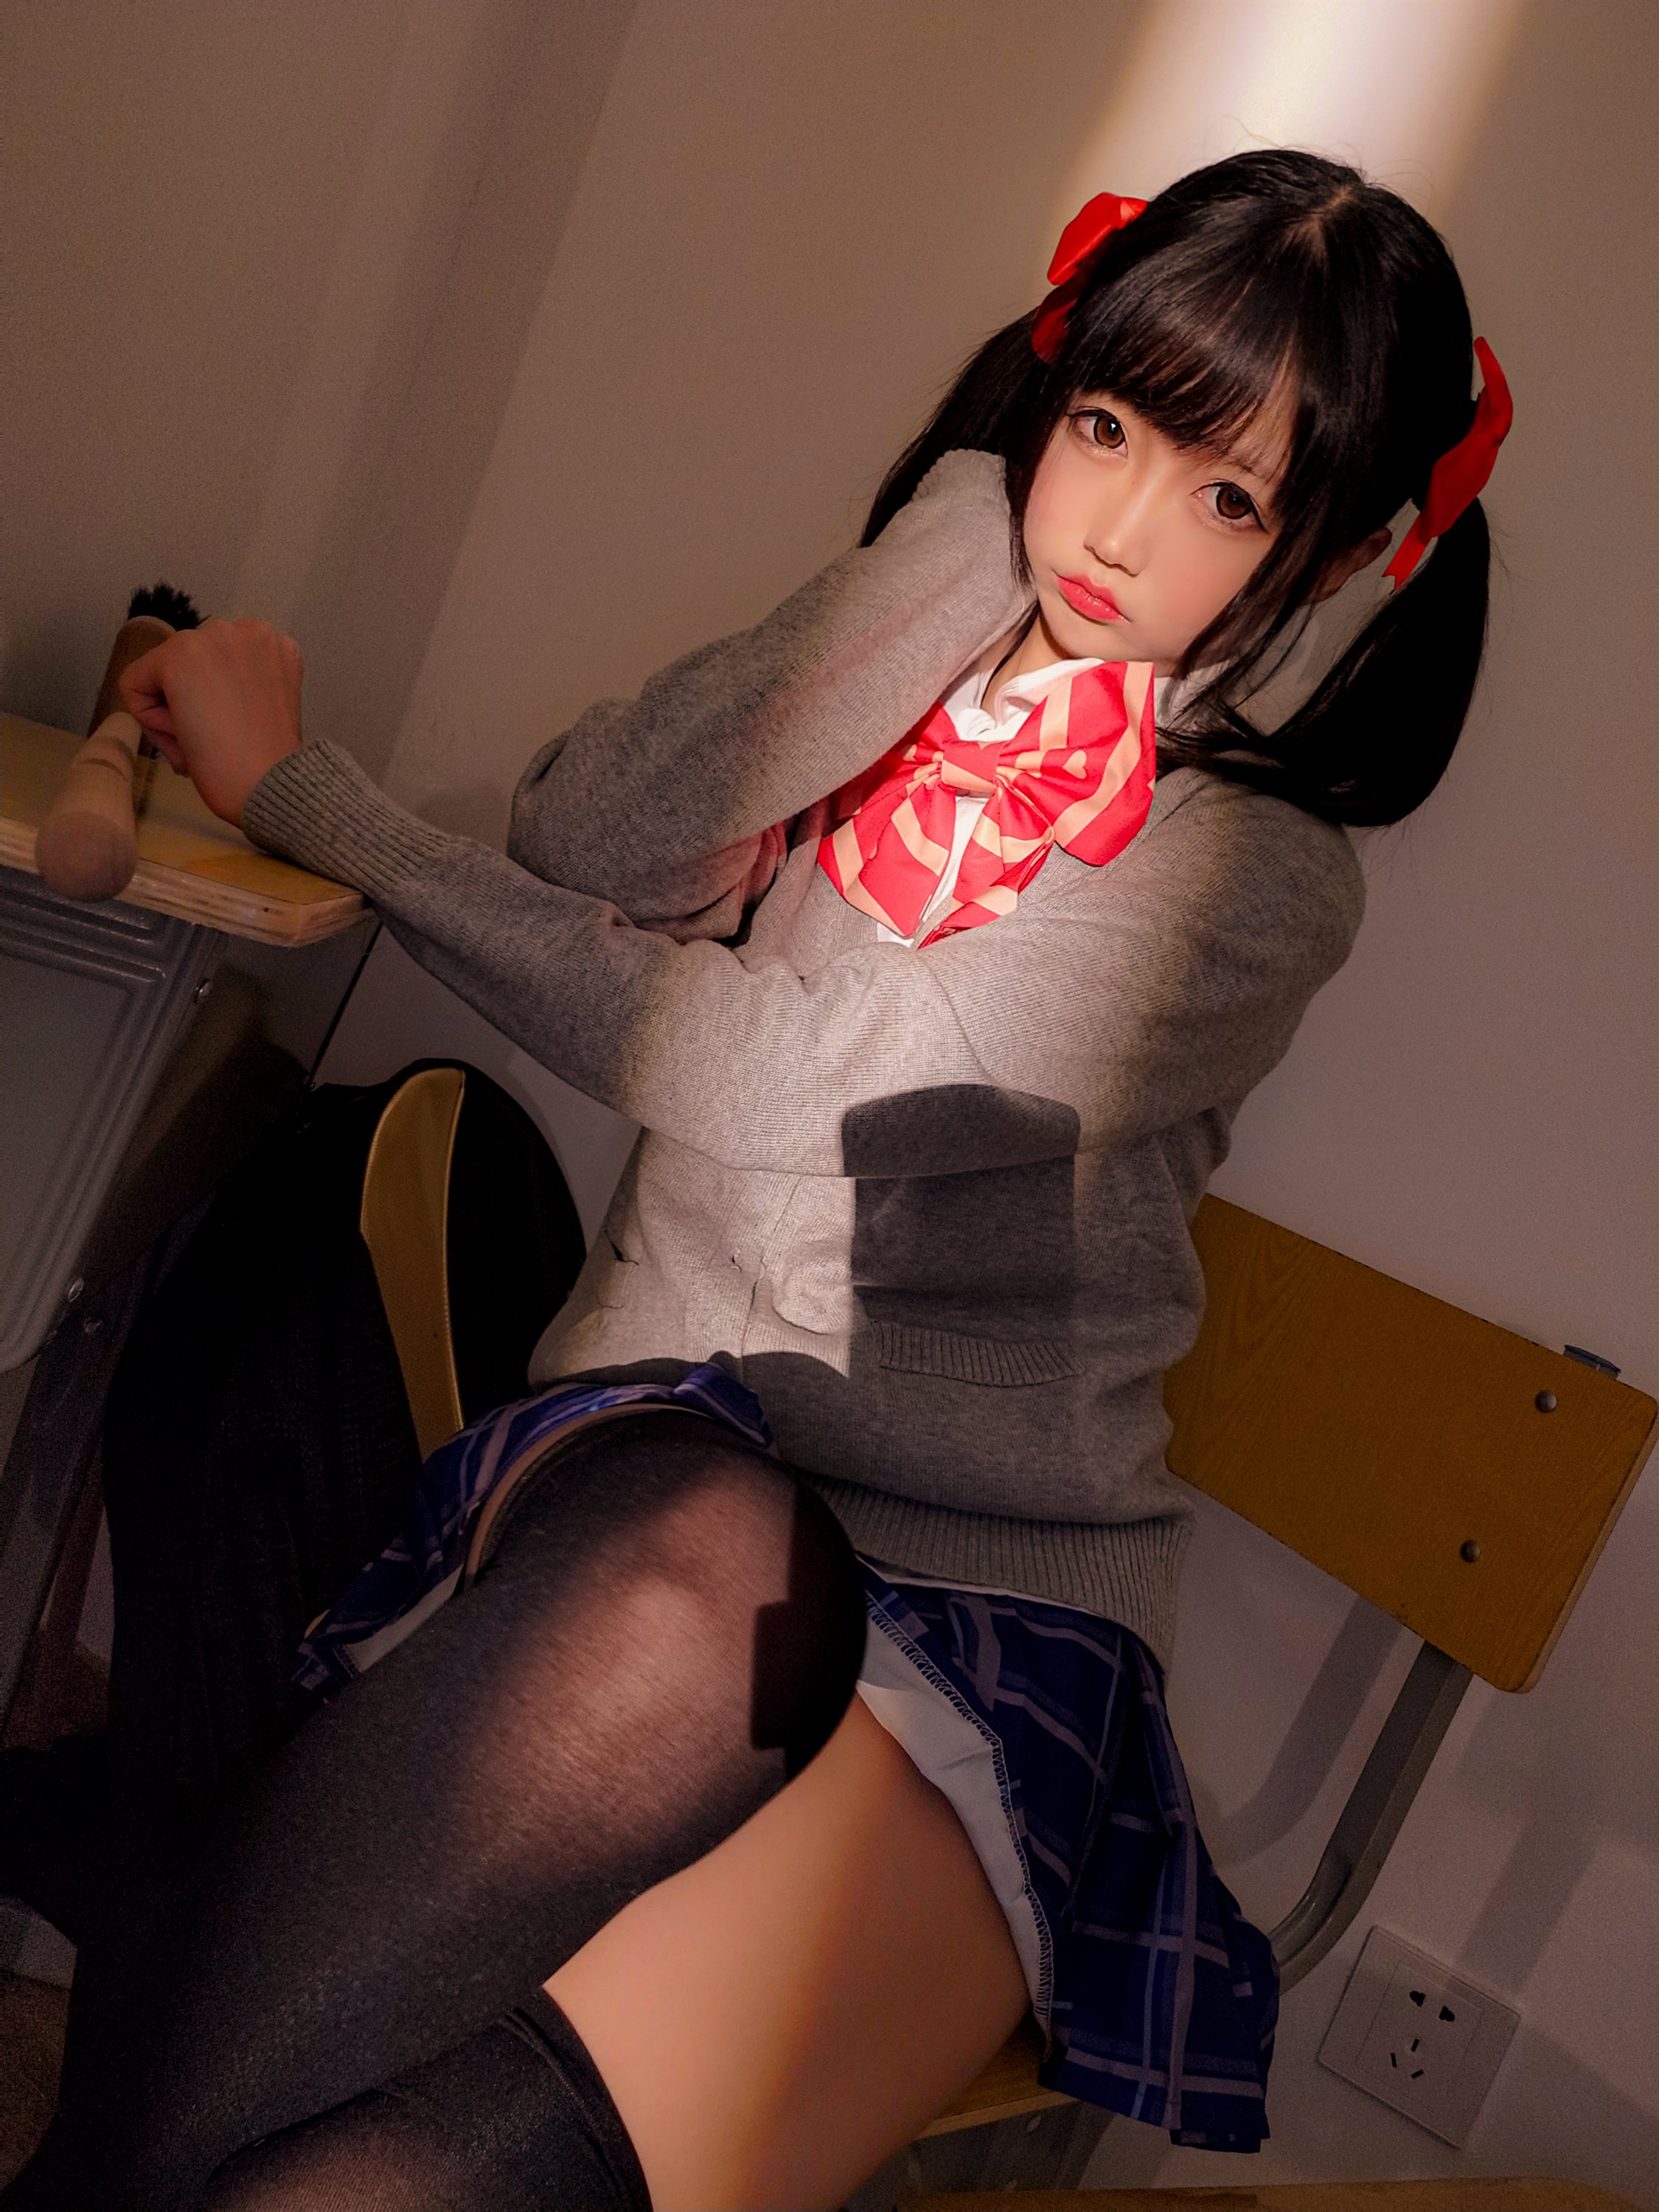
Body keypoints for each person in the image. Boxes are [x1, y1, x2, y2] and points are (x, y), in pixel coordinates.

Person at [5, 147, 1509, 2209]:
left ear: (1331, 558)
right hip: (668, 1502)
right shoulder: (934, 647)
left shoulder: (1247, 877)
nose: (1120, 531)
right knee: (683, 1521)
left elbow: (783, 1079)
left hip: (977, 1595)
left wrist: (310, 801)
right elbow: (594, 836)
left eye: (1231, 499)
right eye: (1101, 428)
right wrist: (940, 551)